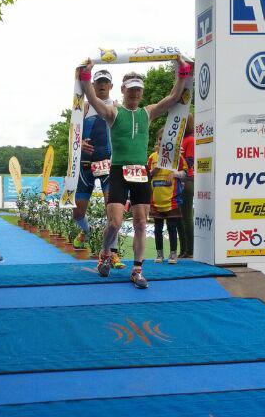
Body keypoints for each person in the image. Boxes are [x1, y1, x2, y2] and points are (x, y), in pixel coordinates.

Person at [78, 57, 191, 286]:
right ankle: (105, 254)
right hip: (118, 171)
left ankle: (137, 269)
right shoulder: (113, 113)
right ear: (122, 90)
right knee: (115, 223)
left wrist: (183, 73)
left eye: (138, 89)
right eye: (131, 89)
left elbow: (173, 97)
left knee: (140, 223)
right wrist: (87, 76)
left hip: (141, 172)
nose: (135, 93)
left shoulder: (147, 113)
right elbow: (92, 98)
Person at [73, 69, 124, 269]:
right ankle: (85, 231)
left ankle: (113, 253)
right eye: (98, 82)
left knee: (113, 211)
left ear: (111, 86)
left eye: (105, 82)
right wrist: (79, 143)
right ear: (92, 85)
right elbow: (72, 135)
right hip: (85, 166)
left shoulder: (117, 107)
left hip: (108, 165)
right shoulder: (84, 108)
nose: (102, 85)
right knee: (78, 213)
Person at [147, 129, 188, 263]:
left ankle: (173, 254)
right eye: (160, 139)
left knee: (171, 227)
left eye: (165, 139)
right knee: (157, 228)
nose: (162, 142)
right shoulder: (152, 157)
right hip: (156, 199)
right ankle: (159, 254)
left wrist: (175, 174)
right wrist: (154, 171)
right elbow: (147, 175)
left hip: (172, 200)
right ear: (157, 141)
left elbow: (185, 173)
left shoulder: (177, 157)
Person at [178, 113, 195, 258]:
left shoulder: (190, 140)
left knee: (186, 216)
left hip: (187, 180)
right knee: (179, 217)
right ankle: (183, 249)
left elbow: (190, 161)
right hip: (178, 180)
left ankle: (190, 250)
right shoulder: (181, 140)